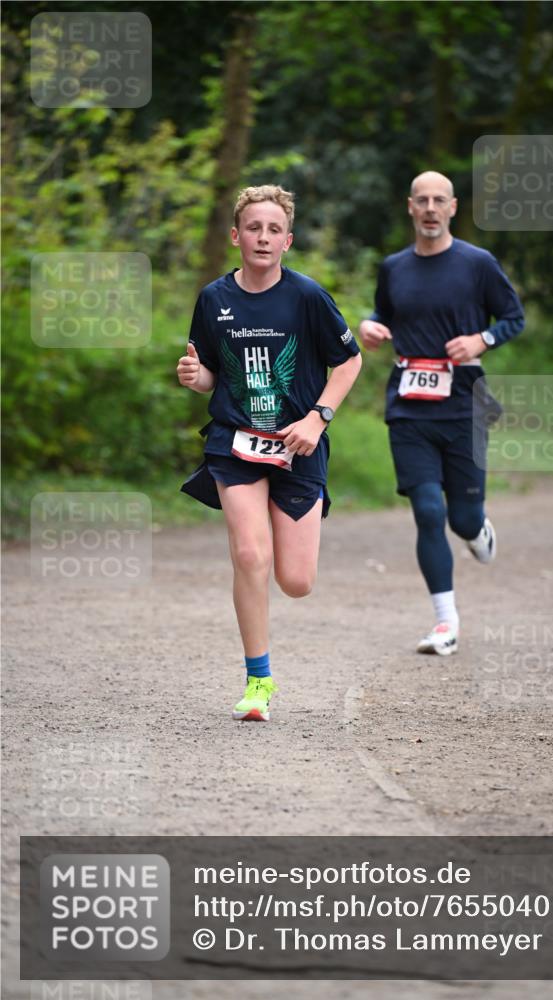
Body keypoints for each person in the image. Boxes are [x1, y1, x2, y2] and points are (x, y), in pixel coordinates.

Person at [178, 185, 361, 720]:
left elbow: (347, 363)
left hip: (298, 446)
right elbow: (210, 370)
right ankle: (258, 680)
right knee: (250, 555)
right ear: (236, 236)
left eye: (273, 229)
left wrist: (317, 417)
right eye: (253, 228)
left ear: (288, 240)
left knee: (296, 581)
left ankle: (263, 668)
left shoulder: (308, 297)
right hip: (234, 443)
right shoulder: (214, 299)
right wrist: (197, 377)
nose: (263, 237)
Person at [359, 171, 524, 656]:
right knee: (429, 512)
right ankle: (445, 622)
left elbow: (513, 317)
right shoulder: (393, 267)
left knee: (462, 519)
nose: (430, 208)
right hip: (409, 407)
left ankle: (478, 529)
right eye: (422, 200)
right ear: (410, 207)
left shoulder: (478, 263)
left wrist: (482, 339)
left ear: (453, 208)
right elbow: (383, 313)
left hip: (464, 405)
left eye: (440, 200)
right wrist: (371, 327)